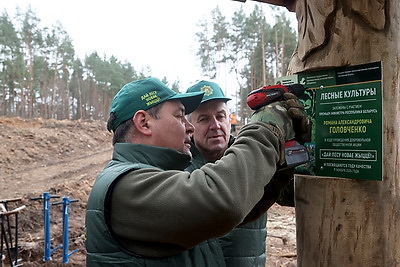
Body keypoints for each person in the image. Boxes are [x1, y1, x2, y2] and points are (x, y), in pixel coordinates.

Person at [85, 77, 309, 266]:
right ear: (144, 123)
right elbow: (221, 201)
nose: (189, 127)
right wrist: (267, 129)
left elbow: (239, 206)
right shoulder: (127, 186)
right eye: (180, 116)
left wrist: (282, 156)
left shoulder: (150, 176)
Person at [185, 80, 297, 266]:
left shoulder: (258, 157)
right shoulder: (178, 170)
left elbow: (295, 195)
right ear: (190, 127)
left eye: (220, 116)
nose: (215, 125)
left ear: (229, 119)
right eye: (204, 119)